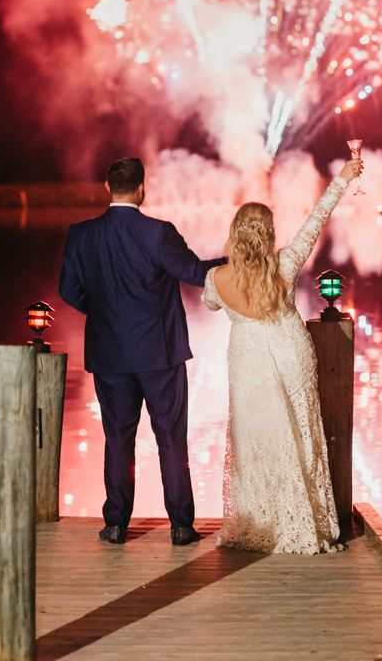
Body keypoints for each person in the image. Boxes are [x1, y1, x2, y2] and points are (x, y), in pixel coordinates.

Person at [59, 156, 225, 546]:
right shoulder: (158, 233)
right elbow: (197, 274)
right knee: (170, 437)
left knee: (118, 438)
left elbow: (69, 290)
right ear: (142, 189)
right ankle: (181, 527)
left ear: (107, 187)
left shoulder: (81, 235)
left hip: (110, 354)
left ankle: (116, 524)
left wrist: (103, 313)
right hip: (159, 354)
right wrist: (238, 261)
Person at [202, 158, 362, 555]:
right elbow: (317, 217)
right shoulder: (286, 266)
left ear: (235, 235)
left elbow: (209, 305)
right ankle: (302, 519)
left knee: (255, 438)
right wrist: (343, 177)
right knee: (299, 432)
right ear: (269, 233)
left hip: (248, 361)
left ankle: (260, 522)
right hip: (291, 353)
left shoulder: (217, 278)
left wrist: (228, 258)